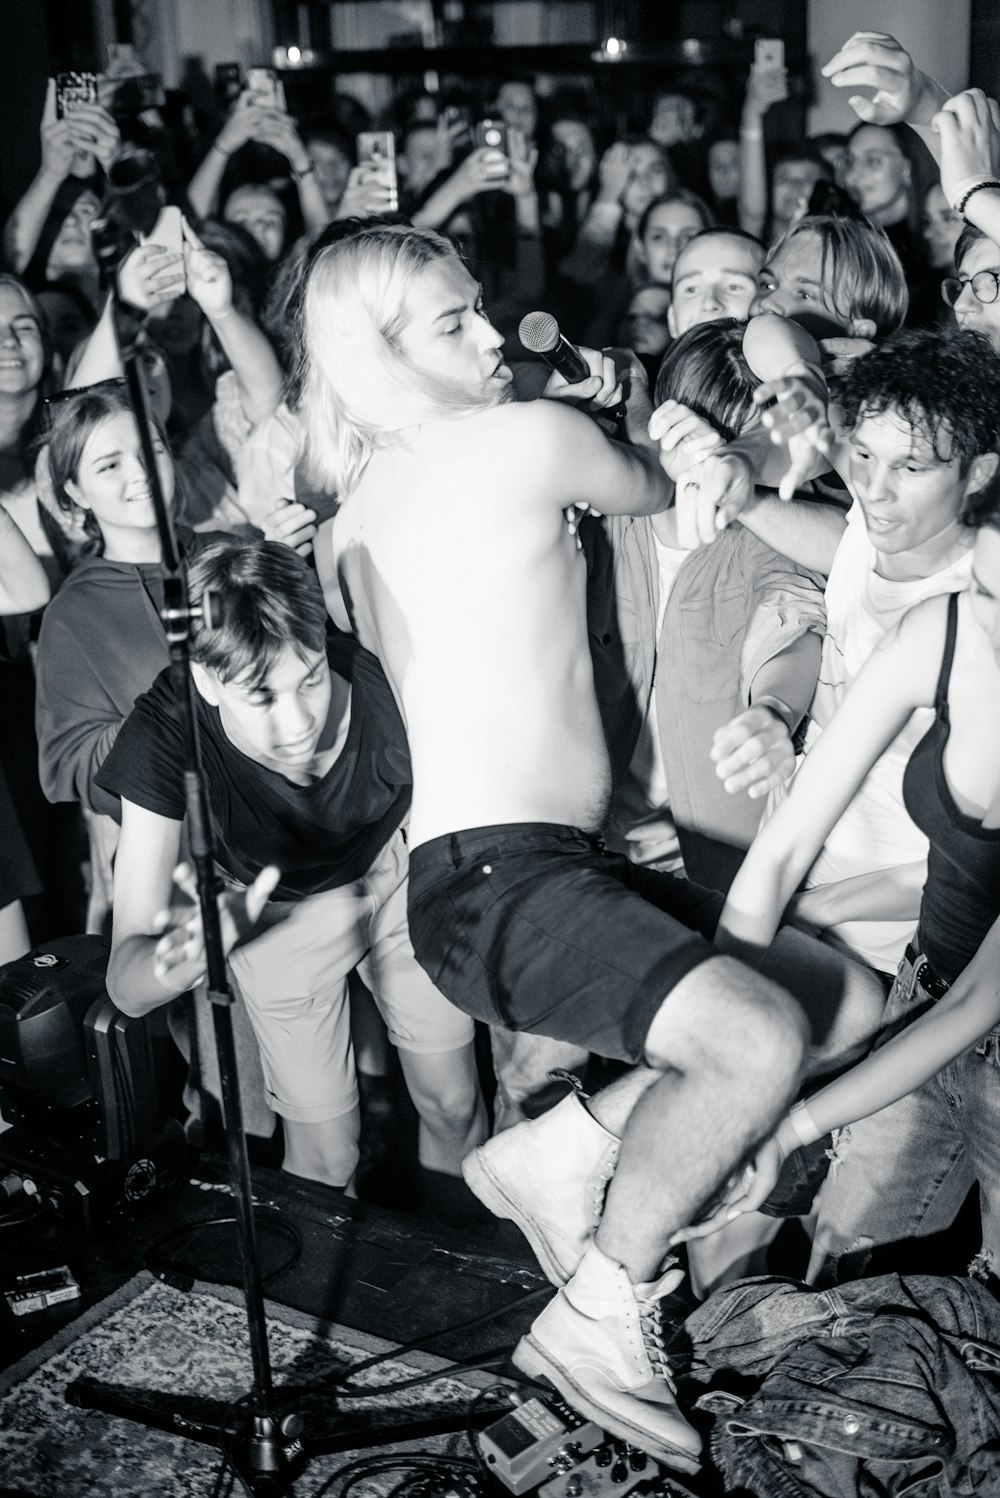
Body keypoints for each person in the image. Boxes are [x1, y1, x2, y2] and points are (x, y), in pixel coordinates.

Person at [298, 222, 872, 1465]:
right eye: (455, 322)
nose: (493, 334)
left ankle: (563, 1147)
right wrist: (687, 441)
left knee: (842, 998)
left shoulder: (350, 513)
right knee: (759, 1036)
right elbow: (669, 490)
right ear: (377, 351)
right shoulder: (521, 438)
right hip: (507, 874)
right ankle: (599, 1309)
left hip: (493, 875)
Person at [95, 538, 486, 1191]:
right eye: (262, 696)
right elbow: (124, 985)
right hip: (265, 911)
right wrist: (197, 951)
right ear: (205, 681)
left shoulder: (377, 679)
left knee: (453, 1105)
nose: (300, 719)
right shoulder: (166, 730)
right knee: (326, 1160)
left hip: (397, 872)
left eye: (309, 678)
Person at [694, 493, 1000, 1288]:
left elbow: (978, 1007)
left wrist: (791, 1125)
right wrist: (723, 1021)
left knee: (982, 1312)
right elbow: (788, 841)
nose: (985, 623)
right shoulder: (950, 628)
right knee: (840, 1260)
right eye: (985, 585)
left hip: (981, 1026)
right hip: (919, 991)